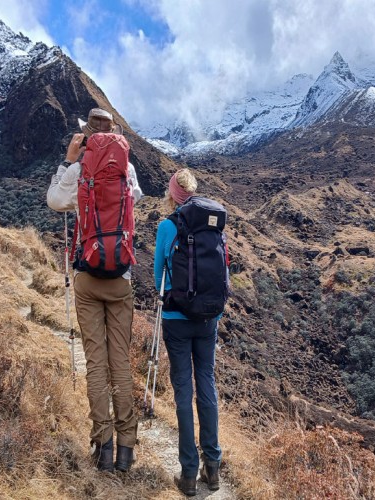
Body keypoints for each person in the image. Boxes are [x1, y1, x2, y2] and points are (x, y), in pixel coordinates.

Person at [46, 107, 143, 473]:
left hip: (87, 276)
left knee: (96, 362)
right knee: (120, 363)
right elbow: (137, 199)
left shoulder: (78, 169)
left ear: (87, 135)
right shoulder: (127, 170)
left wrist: (68, 161)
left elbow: (55, 201)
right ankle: (126, 450)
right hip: (121, 277)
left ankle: (102, 445)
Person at [154, 169, 223, 496]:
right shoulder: (213, 223)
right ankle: (213, 469)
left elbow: (158, 277)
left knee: (183, 389)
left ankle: (188, 473)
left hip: (176, 318)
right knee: (206, 382)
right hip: (209, 318)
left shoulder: (168, 227)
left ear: (172, 195)